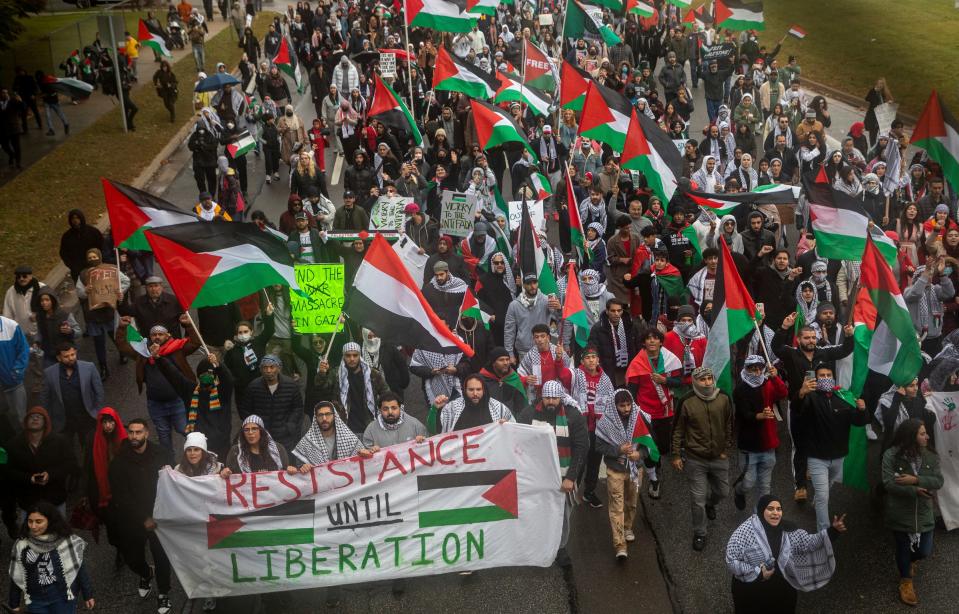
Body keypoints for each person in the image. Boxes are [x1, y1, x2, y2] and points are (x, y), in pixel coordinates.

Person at [725, 494, 847, 614]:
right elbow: (731, 559)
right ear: (762, 510)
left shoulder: (789, 529)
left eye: (779, 509)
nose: (775, 513)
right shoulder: (745, 531)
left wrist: (833, 531)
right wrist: (758, 573)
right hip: (752, 589)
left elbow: (809, 543)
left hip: (781, 586)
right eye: (770, 509)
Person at [517, 380, 589, 566]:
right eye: (547, 397)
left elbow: (581, 448)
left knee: (563, 515)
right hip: (537, 477)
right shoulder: (528, 414)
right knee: (537, 511)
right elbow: (517, 441)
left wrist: (571, 478)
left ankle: (560, 547)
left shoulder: (573, 416)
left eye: (555, 398)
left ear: (561, 398)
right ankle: (539, 545)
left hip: (564, 478)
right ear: (542, 396)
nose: (550, 402)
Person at [108, 418, 174, 614]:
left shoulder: (162, 454)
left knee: (162, 557)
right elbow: (121, 495)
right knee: (132, 557)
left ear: (146, 433)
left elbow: (173, 480)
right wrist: (143, 518)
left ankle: (164, 593)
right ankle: (146, 573)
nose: (134, 436)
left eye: (138, 432)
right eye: (131, 432)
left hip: (160, 516)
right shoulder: (119, 461)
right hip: (133, 518)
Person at [795, 363, 869, 531]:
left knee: (829, 483)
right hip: (817, 457)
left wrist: (862, 410)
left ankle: (817, 503)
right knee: (823, 496)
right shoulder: (810, 398)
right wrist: (801, 394)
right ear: (816, 378)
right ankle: (825, 534)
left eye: (829, 375)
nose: (826, 378)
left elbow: (857, 421)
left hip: (838, 455)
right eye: (822, 375)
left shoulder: (842, 397)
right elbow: (797, 410)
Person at [881, 419, 943, 606]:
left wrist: (916, 480)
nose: (927, 436)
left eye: (926, 433)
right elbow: (888, 483)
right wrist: (913, 490)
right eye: (922, 433)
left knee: (923, 551)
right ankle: (906, 581)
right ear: (911, 437)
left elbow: (938, 481)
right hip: (900, 511)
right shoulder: (891, 455)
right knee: (902, 548)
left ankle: (909, 561)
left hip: (924, 511)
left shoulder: (931, 456)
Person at [671, 367, 734, 551]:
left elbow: (729, 422)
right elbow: (678, 430)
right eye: (703, 379)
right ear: (694, 382)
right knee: (696, 499)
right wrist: (676, 454)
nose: (707, 383)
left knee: (723, 492)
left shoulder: (723, 398)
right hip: (695, 458)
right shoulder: (686, 401)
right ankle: (700, 533)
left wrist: (726, 447)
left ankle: (711, 503)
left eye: (709, 378)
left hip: (718, 457)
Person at [117, 315, 201, 451]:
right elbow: (123, 347)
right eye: (154, 334)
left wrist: (188, 325)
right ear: (150, 337)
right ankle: (169, 465)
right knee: (164, 437)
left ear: (167, 336)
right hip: (155, 404)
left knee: (186, 431)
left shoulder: (177, 349)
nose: (157, 337)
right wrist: (121, 328)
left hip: (177, 401)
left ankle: (198, 455)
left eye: (160, 334)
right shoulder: (143, 353)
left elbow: (195, 343)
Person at [594, 389, 655, 560]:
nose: (627, 409)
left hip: (636, 469)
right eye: (622, 406)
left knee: (632, 503)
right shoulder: (605, 423)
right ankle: (620, 544)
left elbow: (649, 442)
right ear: (615, 406)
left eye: (629, 404)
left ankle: (628, 527)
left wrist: (640, 455)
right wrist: (617, 450)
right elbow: (599, 446)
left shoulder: (640, 417)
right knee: (616, 507)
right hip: (615, 470)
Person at [8, 501, 94, 613]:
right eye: (30, 521)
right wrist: (14, 603)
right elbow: (17, 575)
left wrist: (88, 595)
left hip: (63, 598)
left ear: (50, 521)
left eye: (38, 521)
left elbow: (80, 569)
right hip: (35, 600)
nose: (33, 526)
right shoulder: (21, 545)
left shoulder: (67, 541)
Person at [626, 327, 682, 499]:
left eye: (655, 338)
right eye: (648, 338)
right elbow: (632, 390)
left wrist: (665, 380)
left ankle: (655, 464)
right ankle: (653, 479)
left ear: (660, 341)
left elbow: (679, 382)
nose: (652, 341)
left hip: (665, 411)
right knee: (651, 447)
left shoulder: (671, 360)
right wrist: (634, 413)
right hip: (646, 412)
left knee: (663, 447)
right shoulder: (637, 363)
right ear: (643, 342)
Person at [733, 356, 788, 510]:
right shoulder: (740, 390)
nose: (757, 372)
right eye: (753, 368)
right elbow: (744, 414)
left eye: (759, 368)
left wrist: (775, 377)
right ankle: (738, 491)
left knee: (765, 488)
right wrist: (760, 416)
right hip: (749, 446)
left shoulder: (768, 383)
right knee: (748, 483)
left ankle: (761, 522)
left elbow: (783, 393)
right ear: (746, 369)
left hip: (768, 444)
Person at [158, 352, 234, 460]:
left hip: (221, 446)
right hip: (197, 447)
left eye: (210, 374)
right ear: (198, 376)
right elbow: (173, 375)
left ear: (216, 376)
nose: (207, 377)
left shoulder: (223, 392)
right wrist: (159, 358)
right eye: (203, 375)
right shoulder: (190, 390)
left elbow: (228, 380)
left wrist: (219, 366)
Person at [5, 407, 73, 517]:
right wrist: (29, 478)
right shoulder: (14, 444)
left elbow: (69, 464)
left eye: (39, 417)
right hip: (28, 502)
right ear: (25, 421)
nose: (35, 418)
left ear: (46, 422)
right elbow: (9, 471)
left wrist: (50, 474)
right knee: (30, 533)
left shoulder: (60, 441)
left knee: (58, 533)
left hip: (55, 499)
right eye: (31, 417)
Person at [570, 347, 615, 507]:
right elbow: (563, 377)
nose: (590, 360)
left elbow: (611, 401)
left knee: (595, 462)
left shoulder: (605, 379)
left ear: (598, 360)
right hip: (580, 426)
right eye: (587, 357)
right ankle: (572, 491)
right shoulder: (575, 375)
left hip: (598, 428)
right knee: (579, 460)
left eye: (593, 357)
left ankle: (589, 492)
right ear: (582, 361)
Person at [315, 342, 390, 436]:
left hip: (369, 425)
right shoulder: (336, 374)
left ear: (360, 356)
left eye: (355, 355)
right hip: (345, 427)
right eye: (348, 355)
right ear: (343, 356)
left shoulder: (372, 374)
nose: (352, 359)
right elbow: (321, 389)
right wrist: (322, 374)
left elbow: (387, 395)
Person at [41, 342, 103, 446]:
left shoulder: (89, 368)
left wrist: (97, 412)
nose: (71, 358)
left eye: (72, 354)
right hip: (63, 420)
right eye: (66, 356)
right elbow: (45, 398)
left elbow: (99, 391)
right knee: (65, 448)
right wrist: (48, 419)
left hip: (86, 417)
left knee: (89, 446)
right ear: (59, 358)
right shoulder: (49, 373)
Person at [238, 355, 303, 452]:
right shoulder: (253, 387)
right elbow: (245, 410)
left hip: (284, 437)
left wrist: (289, 426)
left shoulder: (291, 385)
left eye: (272, 367)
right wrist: (255, 428)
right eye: (265, 367)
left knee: (286, 464)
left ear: (279, 368)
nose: (268, 371)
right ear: (261, 369)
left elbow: (297, 408)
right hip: (260, 437)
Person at [430, 375, 514, 434]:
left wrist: (507, 427)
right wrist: (435, 409)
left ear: (484, 390)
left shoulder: (498, 409)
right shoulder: (453, 408)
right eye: (471, 390)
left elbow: (514, 432)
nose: (475, 393)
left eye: (478, 389)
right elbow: (433, 431)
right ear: (465, 390)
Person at [504, 275, 561, 361]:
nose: (532, 286)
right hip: (524, 351)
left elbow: (560, 321)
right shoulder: (514, 305)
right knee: (527, 375)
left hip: (544, 348)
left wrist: (559, 309)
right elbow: (509, 331)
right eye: (529, 283)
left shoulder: (547, 300)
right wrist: (510, 353)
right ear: (523, 285)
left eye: (534, 282)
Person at [292, 401, 361, 470]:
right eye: (320, 415)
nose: (324, 418)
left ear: (334, 416)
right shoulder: (307, 442)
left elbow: (361, 460)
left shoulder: (349, 438)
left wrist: (365, 454)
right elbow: (299, 467)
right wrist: (303, 467)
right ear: (316, 418)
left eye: (328, 414)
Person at [221, 415, 297, 476]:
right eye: (246, 430)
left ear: (261, 431)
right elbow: (229, 476)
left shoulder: (278, 449)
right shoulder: (235, 452)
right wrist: (224, 473)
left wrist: (290, 470)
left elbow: (286, 472)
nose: (250, 432)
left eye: (254, 429)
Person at [361, 392, 428, 451]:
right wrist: (371, 451)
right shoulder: (371, 430)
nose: (390, 412)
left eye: (394, 408)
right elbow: (365, 457)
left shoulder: (415, 425)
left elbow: (428, 449)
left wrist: (422, 441)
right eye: (385, 409)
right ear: (380, 410)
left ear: (400, 408)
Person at [1, 314, 30, 434]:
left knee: (21, 419)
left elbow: (23, 349)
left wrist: (16, 372)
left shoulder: (11, 326)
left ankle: (26, 447)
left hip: (14, 384)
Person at [58, 209, 103, 282]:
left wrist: (98, 261)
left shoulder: (93, 232)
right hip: (77, 271)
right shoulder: (67, 236)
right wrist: (72, 266)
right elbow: (63, 253)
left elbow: (101, 247)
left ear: (81, 218)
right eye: (73, 218)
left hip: (95, 267)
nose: (75, 220)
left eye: (77, 218)